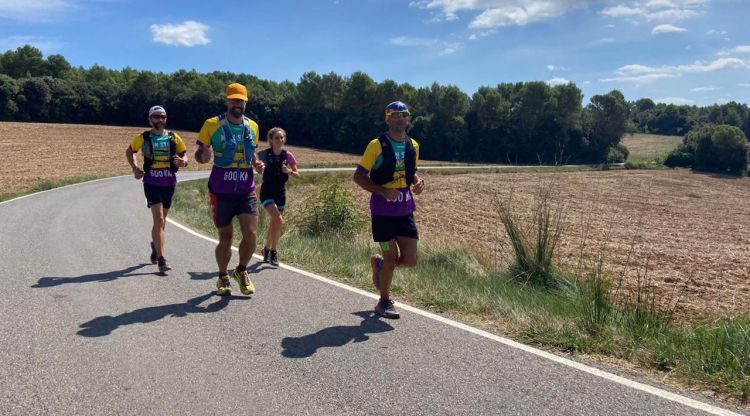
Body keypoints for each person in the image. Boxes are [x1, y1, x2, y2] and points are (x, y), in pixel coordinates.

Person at [353, 101, 426, 319]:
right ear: (387, 118)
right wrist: (383, 192)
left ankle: (381, 266)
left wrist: (418, 181)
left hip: (405, 209)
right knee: (392, 256)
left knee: (411, 259)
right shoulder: (376, 145)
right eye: (395, 115)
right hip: (382, 211)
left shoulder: (414, 145)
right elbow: (358, 176)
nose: (400, 119)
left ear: (408, 119)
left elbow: (410, 170)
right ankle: (383, 301)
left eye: (404, 115)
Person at [194, 83, 264, 296]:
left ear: (245, 102)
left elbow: (252, 153)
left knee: (251, 234)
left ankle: (241, 271)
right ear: (227, 101)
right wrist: (202, 156)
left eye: (240, 100)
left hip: (246, 190)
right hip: (221, 191)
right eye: (233, 100)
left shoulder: (252, 126)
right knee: (226, 238)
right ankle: (223, 275)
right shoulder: (211, 124)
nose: (237, 104)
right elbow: (200, 153)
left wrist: (257, 163)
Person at [125, 105, 188, 275]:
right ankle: (162, 259)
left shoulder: (174, 137)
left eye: (162, 117)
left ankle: (155, 244)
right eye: (156, 117)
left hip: (169, 183)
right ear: (150, 119)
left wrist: (184, 161)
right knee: (159, 218)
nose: (159, 120)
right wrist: (135, 168)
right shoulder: (143, 137)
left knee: (162, 220)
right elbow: (130, 151)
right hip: (151, 182)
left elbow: (184, 153)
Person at [257, 127, 300, 267]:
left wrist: (289, 171)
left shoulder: (288, 155)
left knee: (274, 224)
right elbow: (255, 164)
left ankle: (266, 249)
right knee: (278, 220)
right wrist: (259, 166)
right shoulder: (263, 154)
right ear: (270, 140)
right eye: (276, 138)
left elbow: (297, 174)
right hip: (267, 191)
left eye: (282, 137)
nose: (279, 140)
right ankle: (274, 252)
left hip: (281, 193)